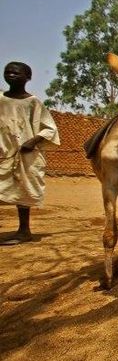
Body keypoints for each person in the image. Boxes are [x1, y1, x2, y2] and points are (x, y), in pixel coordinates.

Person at [0, 62, 60, 245]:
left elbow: (50, 129)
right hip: (4, 152)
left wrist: (32, 141)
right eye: (8, 71)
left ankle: (24, 231)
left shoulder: (34, 103)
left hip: (27, 154)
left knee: (23, 191)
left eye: (16, 73)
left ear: (28, 77)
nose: (11, 74)